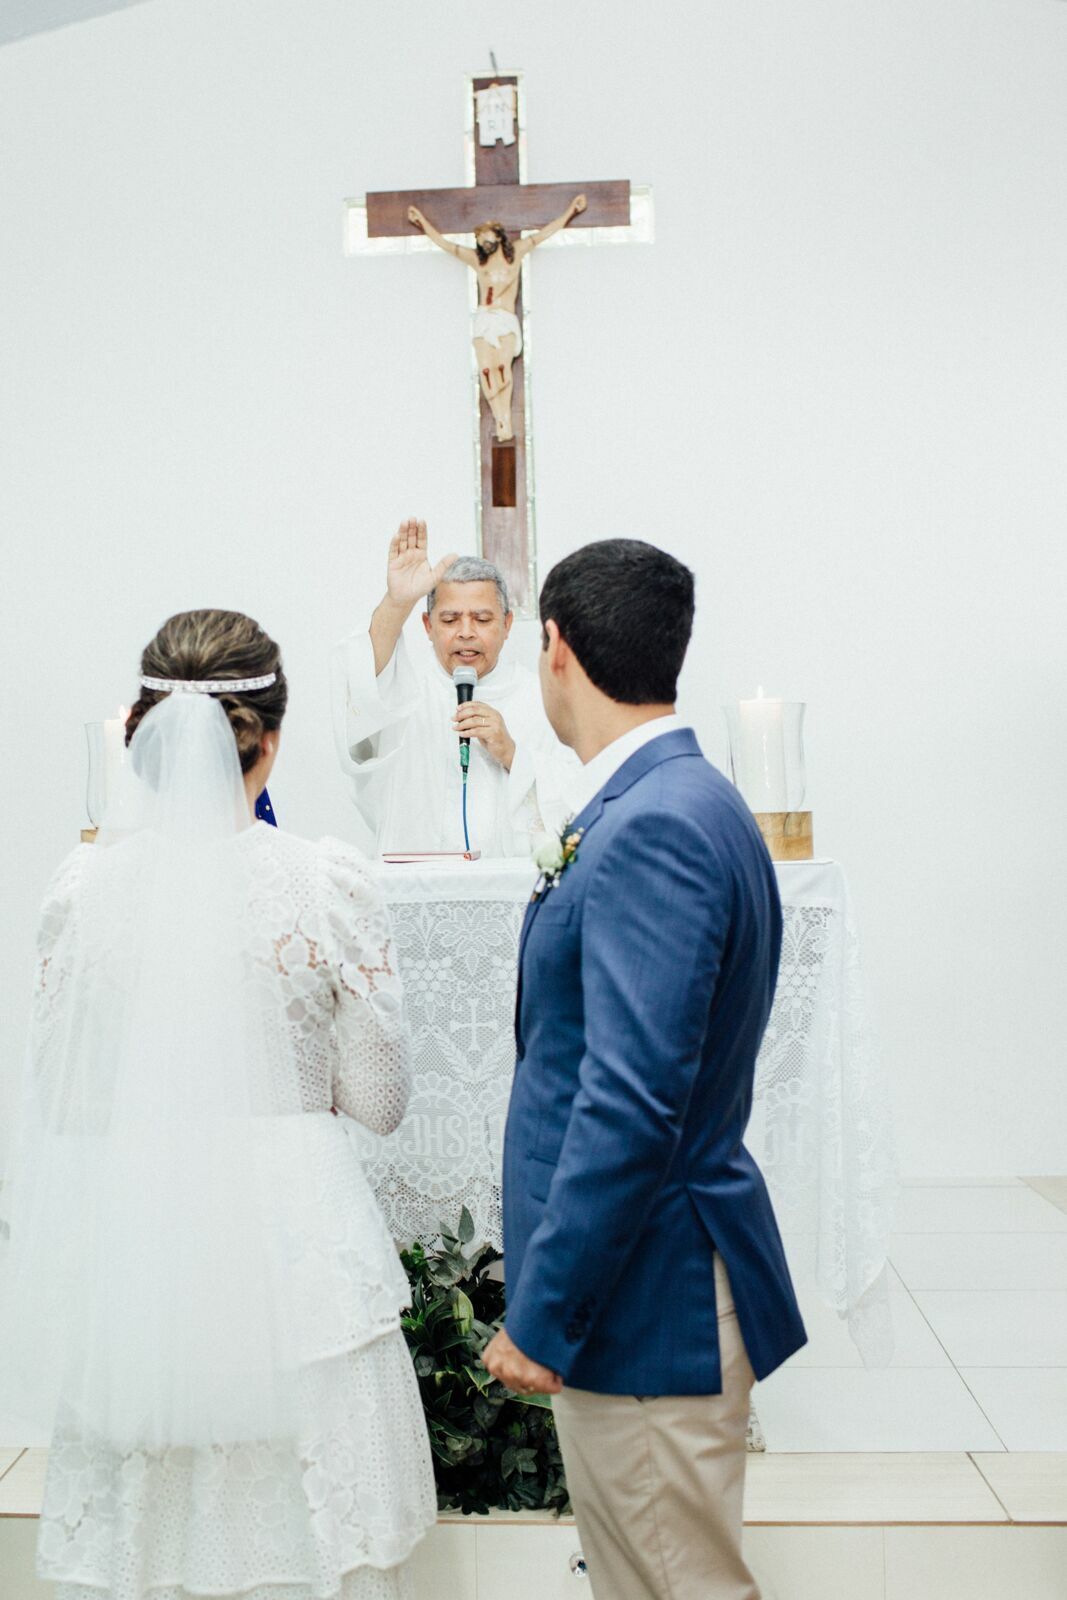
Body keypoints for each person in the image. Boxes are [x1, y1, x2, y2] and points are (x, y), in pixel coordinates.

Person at [0, 609, 436, 1600]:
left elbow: (63, 1100)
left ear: (141, 741)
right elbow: (378, 1102)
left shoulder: (84, 890)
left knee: (146, 1533)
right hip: (294, 1239)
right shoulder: (324, 884)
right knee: (312, 1533)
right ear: (269, 740)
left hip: (140, 1238)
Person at [484, 540, 807, 1599]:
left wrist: (543, 1312)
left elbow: (628, 1103)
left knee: (674, 1584)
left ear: (555, 648)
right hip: (649, 1281)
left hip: (645, 1297)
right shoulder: (683, 797)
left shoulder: (652, 823)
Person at [332, 519, 579, 857]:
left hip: (511, 886)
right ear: (427, 625)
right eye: (449, 620)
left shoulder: (543, 698)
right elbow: (361, 690)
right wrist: (397, 603)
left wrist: (512, 754)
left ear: (507, 624)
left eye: (482, 619)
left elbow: (580, 793)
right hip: (417, 884)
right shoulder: (404, 695)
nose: (465, 632)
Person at [406, 197, 586, 441]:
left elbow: (545, 233)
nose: (482, 241)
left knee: (501, 368)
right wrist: (422, 222)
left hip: (505, 319)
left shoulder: (516, 253)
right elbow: (446, 245)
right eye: (479, 238)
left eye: (486, 236)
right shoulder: (477, 260)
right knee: (486, 370)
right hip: (484, 319)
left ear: (499, 236)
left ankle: (506, 420)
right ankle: (499, 417)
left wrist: (571, 211)